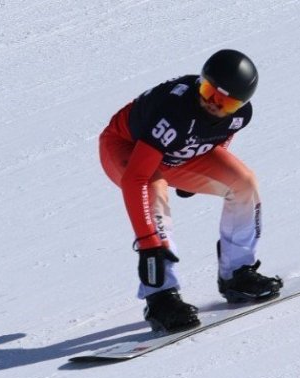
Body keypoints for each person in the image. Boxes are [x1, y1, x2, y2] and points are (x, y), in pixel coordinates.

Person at [99, 49, 283, 333]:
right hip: (126, 148)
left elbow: (220, 135)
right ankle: (160, 296)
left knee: (244, 182)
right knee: (154, 187)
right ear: (201, 81)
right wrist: (149, 244)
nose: (212, 103)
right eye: (208, 90)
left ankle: (238, 273)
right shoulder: (175, 112)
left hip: (173, 152)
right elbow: (136, 177)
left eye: (226, 101)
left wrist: (192, 172)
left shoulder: (240, 116)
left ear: (241, 105)